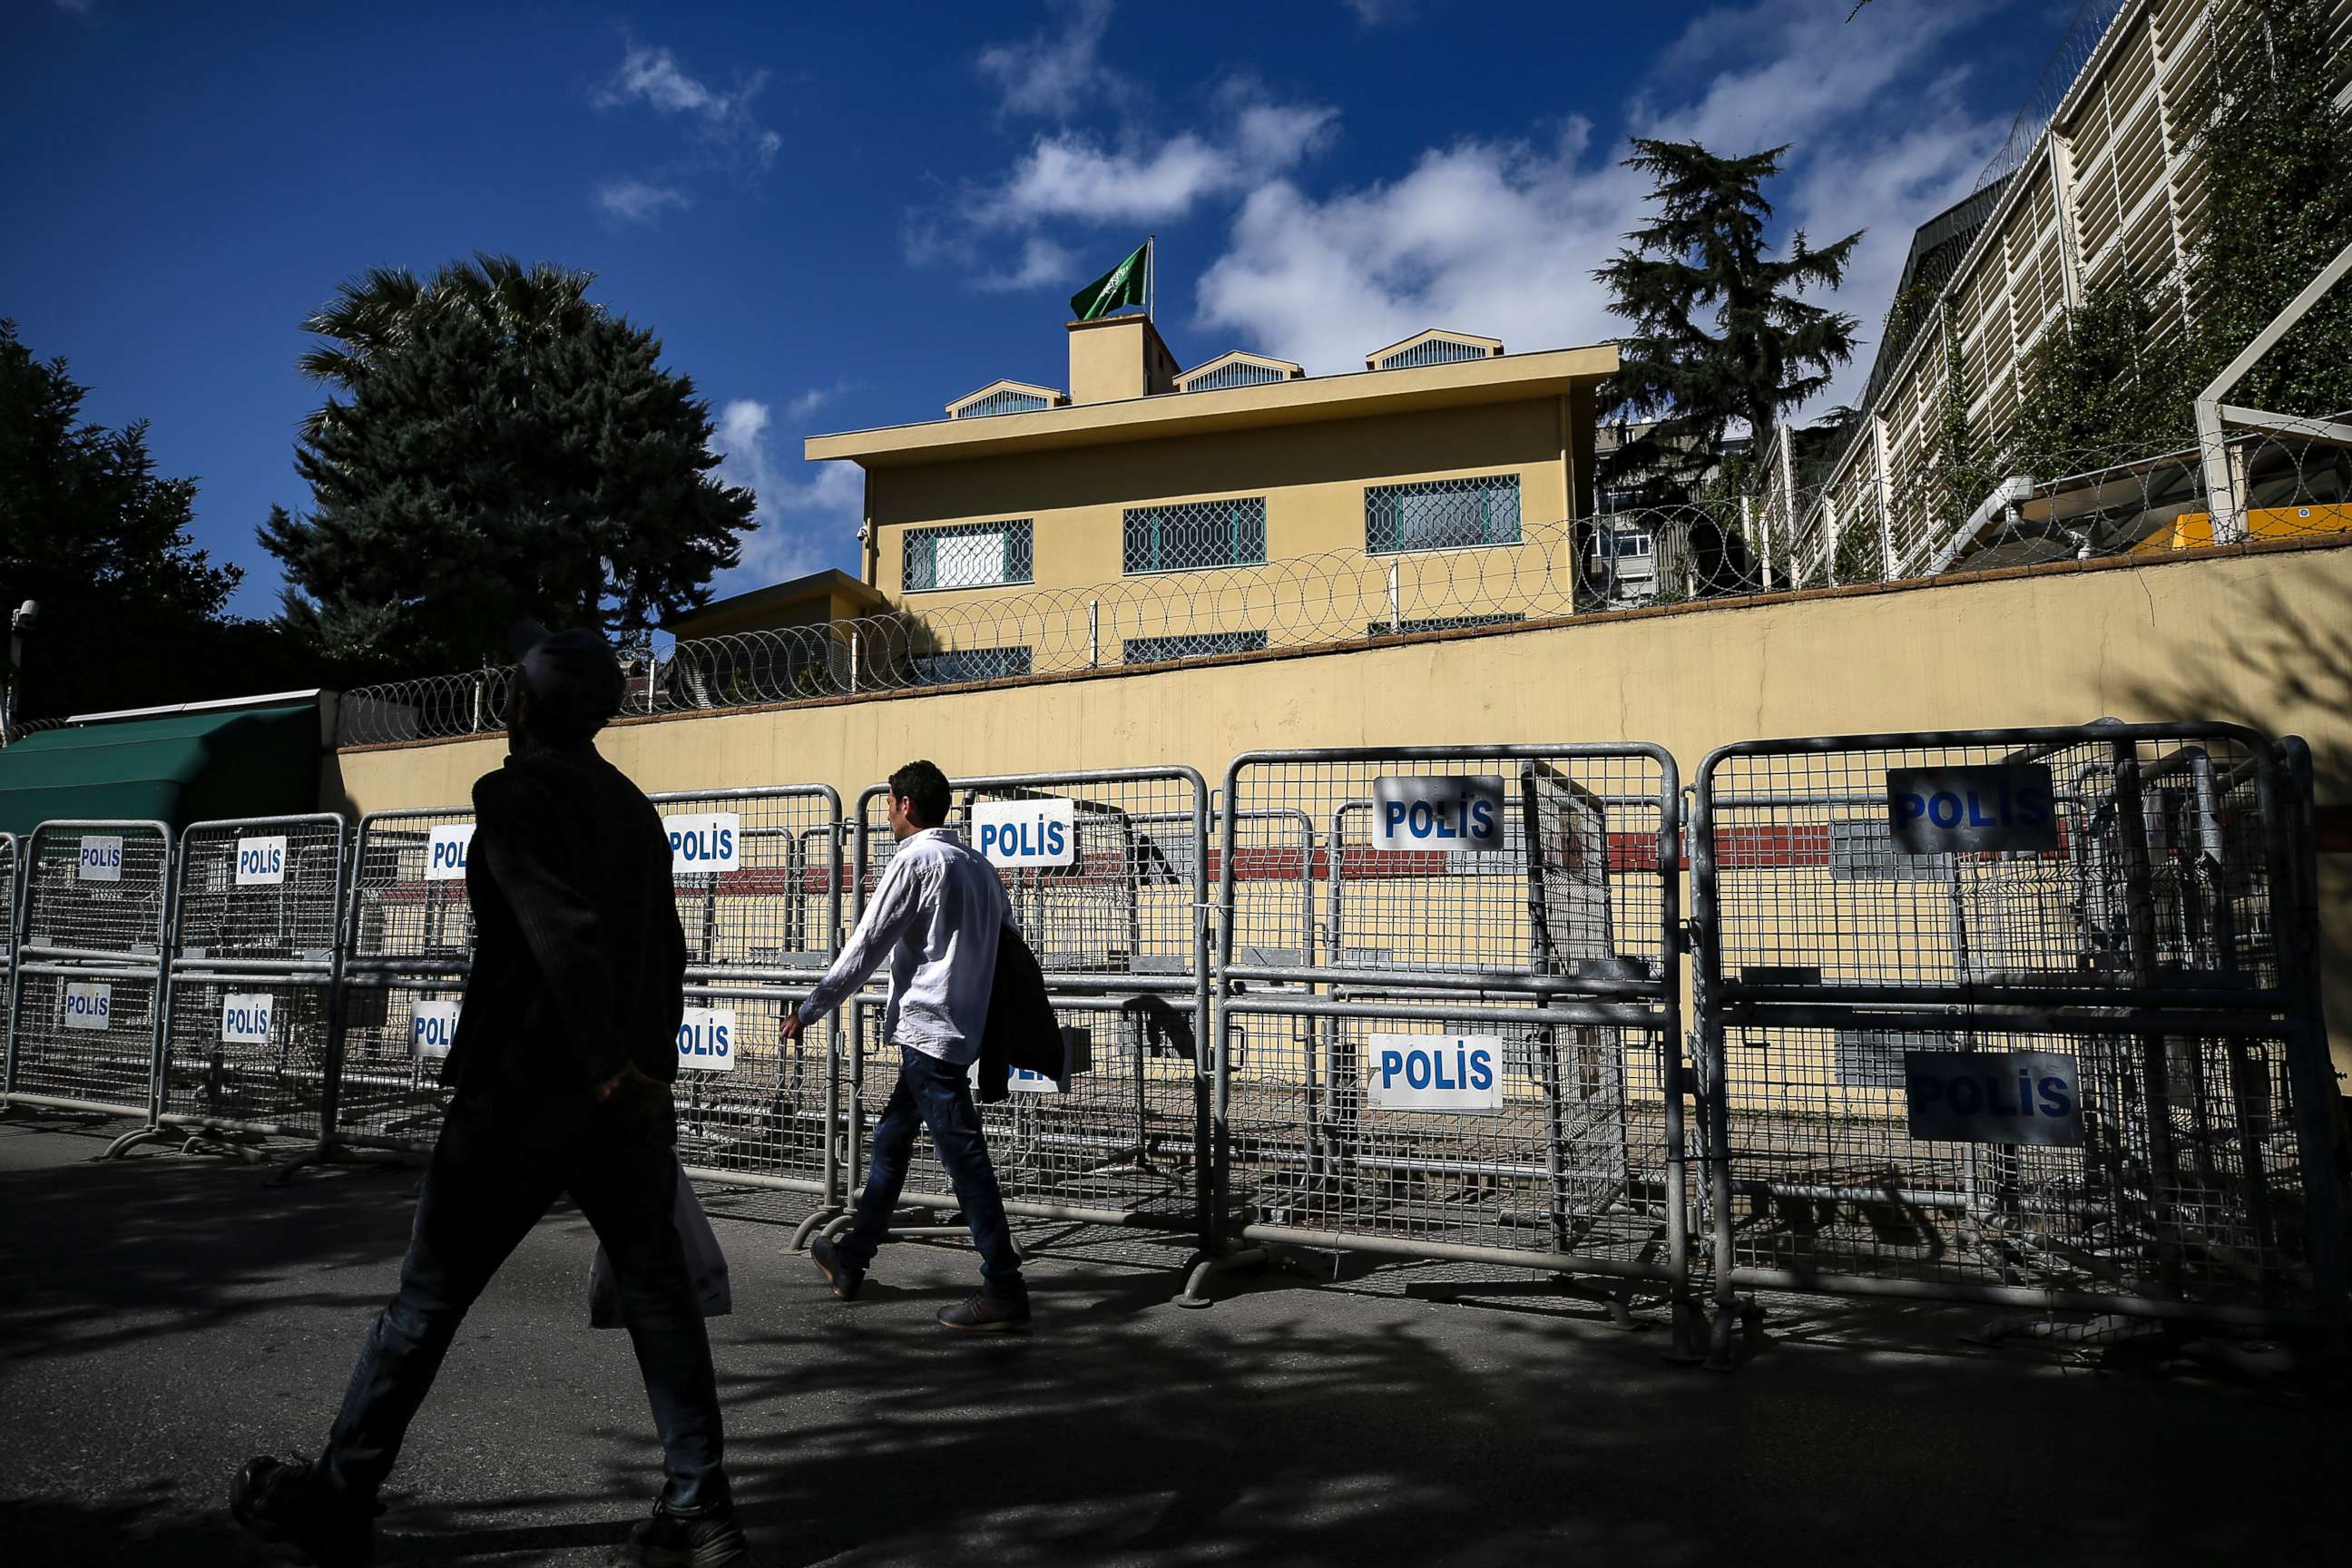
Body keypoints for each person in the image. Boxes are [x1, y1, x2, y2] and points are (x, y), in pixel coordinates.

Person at [230, 622, 748, 1568]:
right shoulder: (633, 807)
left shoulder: (511, 795)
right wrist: (647, 1073)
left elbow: (564, 933)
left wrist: (599, 1060)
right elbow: (663, 951)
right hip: (621, 1092)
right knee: (659, 1298)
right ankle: (700, 1508)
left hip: (523, 1092)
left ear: (523, 705)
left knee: (426, 1301)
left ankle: (343, 1494)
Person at [784, 760, 1030, 1329]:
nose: (890, 815)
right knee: (892, 1140)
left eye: (891, 805)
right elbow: (1009, 946)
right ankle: (851, 1256)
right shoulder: (979, 864)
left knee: (965, 1162)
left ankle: (1004, 1286)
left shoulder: (916, 859)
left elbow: (868, 941)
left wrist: (812, 1006)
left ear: (904, 805)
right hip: (958, 1029)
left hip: (929, 1031)